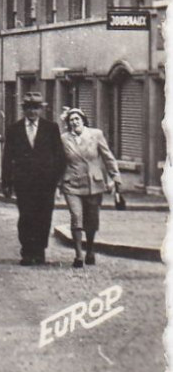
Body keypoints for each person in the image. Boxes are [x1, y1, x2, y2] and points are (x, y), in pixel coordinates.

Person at [0, 92, 66, 266]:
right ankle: (27, 252)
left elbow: (59, 156)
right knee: (26, 216)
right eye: (29, 108)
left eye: (35, 108)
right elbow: (7, 157)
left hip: (46, 184)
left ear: (41, 109)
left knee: (44, 217)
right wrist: (6, 183)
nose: (32, 112)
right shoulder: (14, 129)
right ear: (24, 110)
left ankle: (40, 251)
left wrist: (56, 180)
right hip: (24, 183)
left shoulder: (51, 128)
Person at [58, 107, 122, 268]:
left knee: (92, 220)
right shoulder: (64, 139)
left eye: (77, 119)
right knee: (76, 217)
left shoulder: (96, 135)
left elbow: (108, 157)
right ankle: (79, 255)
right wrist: (57, 184)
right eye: (71, 120)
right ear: (68, 123)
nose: (74, 122)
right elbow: (58, 162)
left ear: (83, 120)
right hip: (71, 184)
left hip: (94, 183)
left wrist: (115, 176)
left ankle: (90, 250)